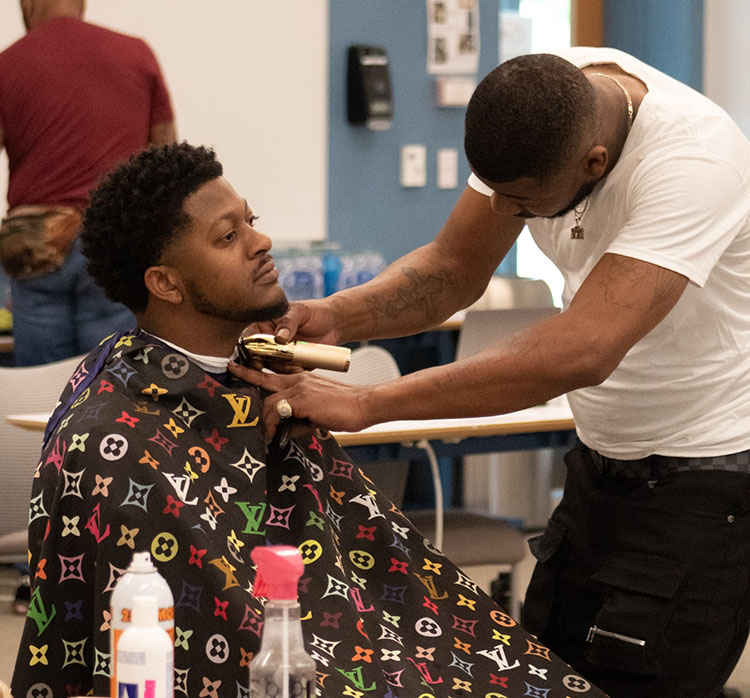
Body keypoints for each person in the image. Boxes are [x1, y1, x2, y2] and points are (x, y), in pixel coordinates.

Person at [232, 47, 750, 698]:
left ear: (594, 164)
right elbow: (454, 267)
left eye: (523, 204)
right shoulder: (538, 105)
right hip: (599, 465)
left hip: (705, 482)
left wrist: (370, 403)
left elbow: (582, 350)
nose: (505, 213)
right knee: (541, 679)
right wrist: (337, 314)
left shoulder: (694, 164)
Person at [10, 142, 606, 698]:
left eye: (251, 219)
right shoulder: (111, 438)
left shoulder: (261, 380)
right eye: (228, 236)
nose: (261, 241)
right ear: (165, 283)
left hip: (376, 646)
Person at [0, 0, 176, 366]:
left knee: (42, 388)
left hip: (35, 242)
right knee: (114, 376)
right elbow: (167, 156)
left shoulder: (7, 64)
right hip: (113, 235)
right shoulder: (135, 53)